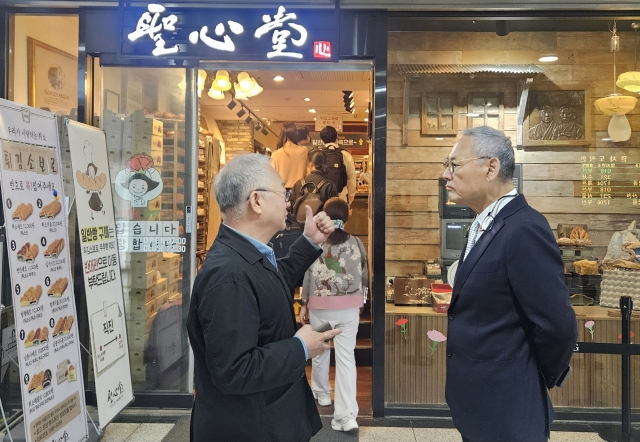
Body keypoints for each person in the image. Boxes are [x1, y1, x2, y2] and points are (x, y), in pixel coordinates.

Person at [187, 153, 342, 442]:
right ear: (256, 201)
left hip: (266, 419)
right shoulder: (227, 275)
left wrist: (308, 242)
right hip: (249, 428)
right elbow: (235, 370)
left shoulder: (244, 257)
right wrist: (301, 348)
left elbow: (269, 282)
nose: (288, 201)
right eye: (284, 192)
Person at [442, 126, 577, 442]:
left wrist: (533, 373)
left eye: (454, 165)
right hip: (480, 404)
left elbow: (558, 325)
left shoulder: (524, 229)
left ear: (490, 167)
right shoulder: (484, 223)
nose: (445, 175)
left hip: (508, 406)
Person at [299, 197, 367, 433]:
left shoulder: (318, 242)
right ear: (347, 216)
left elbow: (307, 271)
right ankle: (346, 416)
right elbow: (365, 274)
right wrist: (362, 300)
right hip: (349, 307)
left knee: (319, 349)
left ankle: (322, 394)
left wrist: (303, 303)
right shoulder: (356, 242)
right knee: (347, 358)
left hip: (320, 306)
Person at [291, 150, 339, 217]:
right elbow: (334, 213)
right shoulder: (329, 185)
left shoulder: (298, 184)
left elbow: (292, 208)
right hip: (321, 226)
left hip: (300, 226)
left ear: (311, 164)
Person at [318, 126, 356, 208]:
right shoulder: (345, 155)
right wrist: (350, 200)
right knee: (339, 221)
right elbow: (351, 179)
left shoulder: (317, 154)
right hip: (341, 198)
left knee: (323, 221)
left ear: (322, 140)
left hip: (322, 200)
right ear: (337, 137)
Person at [270, 121, 309, 189]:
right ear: (295, 134)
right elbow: (308, 172)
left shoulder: (275, 154)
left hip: (282, 192)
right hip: (299, 191)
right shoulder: (304, 151)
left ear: (281, 135)